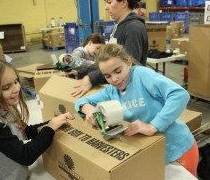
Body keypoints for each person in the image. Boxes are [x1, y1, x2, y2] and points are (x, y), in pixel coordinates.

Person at [74, 44, 199, 176]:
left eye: (118, 71)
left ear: (128, 63)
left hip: (177, 149)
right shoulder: (112, 89)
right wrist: (88, 110)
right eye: (107, 76)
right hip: (152, 152)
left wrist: (153, 126)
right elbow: (82, 101)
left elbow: (180, 95)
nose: (114, 79)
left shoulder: (141, 75)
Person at [0, 58, 75, 180]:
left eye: (16, 81)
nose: (16, 88)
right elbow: (26, 156)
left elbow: (26, 131)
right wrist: (50, 128)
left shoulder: (5, 108)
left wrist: (53, 122)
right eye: (6, 87)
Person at [71, 0, 148, 98]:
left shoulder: (133, 28)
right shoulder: (117, 27)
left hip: (130, 92)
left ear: (123, 2)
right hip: (117, 87)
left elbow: (129, 65)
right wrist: (81, 72)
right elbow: (106, 61)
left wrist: (91, 79)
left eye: (109, 2)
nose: (106, 7)